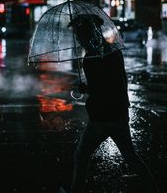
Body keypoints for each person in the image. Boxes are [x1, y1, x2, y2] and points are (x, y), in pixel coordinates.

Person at [68, 15, 159, 193]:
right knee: (131, 156)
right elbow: (118, 82)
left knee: (82, 154)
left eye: (79, 36)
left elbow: (98, 90)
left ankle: (75, 190)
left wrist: (83, 88)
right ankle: (153, 188)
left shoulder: (90, 59)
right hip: (119, 113)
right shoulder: (114, 51)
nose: (78, 39)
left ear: (86, 36)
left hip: (102, 118)